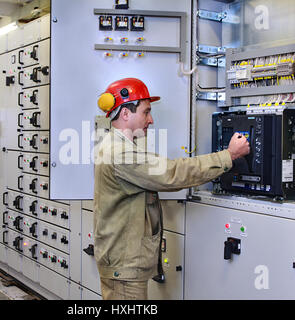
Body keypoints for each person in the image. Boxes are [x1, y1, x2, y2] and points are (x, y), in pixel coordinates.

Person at [93, 78, 250, 300]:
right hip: (124, 267)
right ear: (126, 114)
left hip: (121, 260)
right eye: (146, 112)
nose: (151, 120)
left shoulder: (115, 145)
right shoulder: (120, 153)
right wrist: (228, 156)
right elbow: (172, 173)